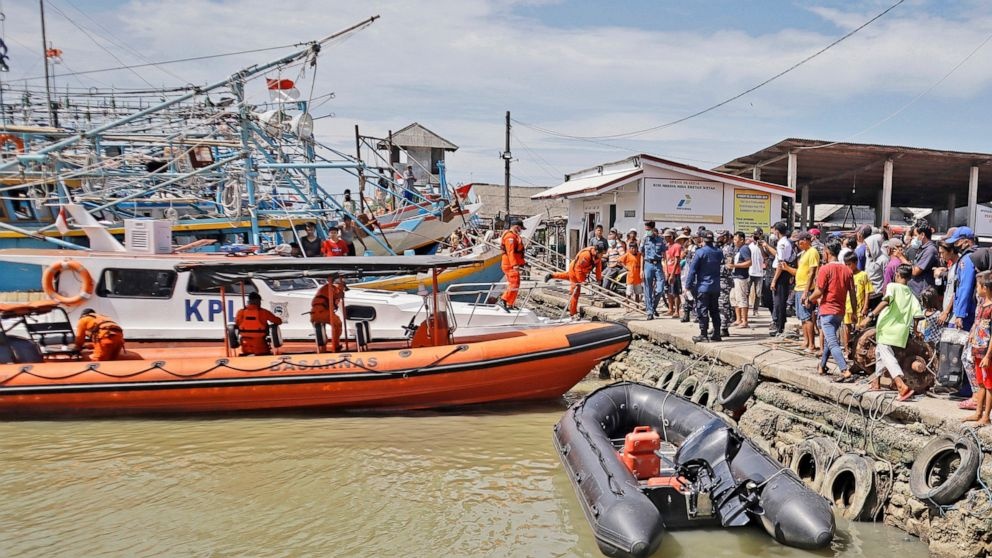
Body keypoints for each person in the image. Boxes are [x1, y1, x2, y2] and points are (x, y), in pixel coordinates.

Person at [859, 264, 922, 401]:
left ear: (897, 275)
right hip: (900, 332)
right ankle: (876, 381)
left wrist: (870, 316)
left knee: (887, 355)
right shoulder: (911, 294)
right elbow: (917, 314)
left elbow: (885, 301)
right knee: (880, 353)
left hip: (887, 329)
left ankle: (901, 385)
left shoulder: (892, 287)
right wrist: (916, 330)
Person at [809, 240, 857, 379]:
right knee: (831, 340)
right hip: (840, 311)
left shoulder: (825, 269)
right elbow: (852, 294)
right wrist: (854, 312)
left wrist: (808, 298)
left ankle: (844, 369)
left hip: (827, 309)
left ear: (827, 252)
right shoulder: (847, 271)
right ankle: (822, 366)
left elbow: (819, 291)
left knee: (832, 342)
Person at [782, 232, 820, 353]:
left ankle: (811, 344)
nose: (798, 244)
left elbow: (812, 272)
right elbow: (799, 272)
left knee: (807, 316)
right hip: (799, 287)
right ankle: (806, 341)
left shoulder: (812, 252)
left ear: (805, 240)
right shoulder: (803, 254)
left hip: (805, 288)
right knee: (802, 317)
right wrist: (787, 268)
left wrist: (806, 291)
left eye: (799, 242)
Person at [963, 272, 992, 424]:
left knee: (989, 385)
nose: (976, 289)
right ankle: (978, 412)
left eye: (978, 286)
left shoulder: (991, 308)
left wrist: (988, 355)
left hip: (986, 351)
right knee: (980, 383)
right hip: (977, 349)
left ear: (985, 288)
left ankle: (986, 416)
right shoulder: (982, 305)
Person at [546, 244, 603, 318]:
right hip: (575, 270)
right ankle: (572, 313)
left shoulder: (597, 258)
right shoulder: (586, 255)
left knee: (567, 276)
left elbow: (598, 269)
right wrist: (581, 281)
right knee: (575, 292)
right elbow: (578, 269)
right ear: (596, 251)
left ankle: (552, 275)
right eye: (601, 254)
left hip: (581, 272)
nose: (602, 256)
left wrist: (599, 279)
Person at [686, 230, 723, 343]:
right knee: (715, 310)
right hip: (715, 286)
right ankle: (717, 334)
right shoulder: (719, 252)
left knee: (702, 310)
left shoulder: (700, 252)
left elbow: (692, 270)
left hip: (703, 286)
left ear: (702, 239)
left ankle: (704, 334)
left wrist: (688, 286)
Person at [843, 251, 873, 357]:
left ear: (855, 263)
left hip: (859, 307)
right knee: (846, 328)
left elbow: (867, 292)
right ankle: (847, 349)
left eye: (849, 264)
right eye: (845, 264)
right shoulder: (845, 275)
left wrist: (865, 306)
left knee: (859, 329)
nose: (847, 267)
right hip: (846, 306)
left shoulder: (863, 275)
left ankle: (857, 350)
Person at [235, 292, 283, 356]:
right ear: (257, 301)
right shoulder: (264, 312)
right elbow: (278, 321)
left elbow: (237, 324)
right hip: (262, 347)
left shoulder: (240, 312)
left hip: (245, 347)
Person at [900, 222, 937, 298]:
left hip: (922, 292)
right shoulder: (921, 248)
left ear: (922, 235)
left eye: (915, 236)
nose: (913, 238)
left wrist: (900, 257)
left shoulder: (930, 250)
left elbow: (915, 271)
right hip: (915, 291)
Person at [769, 221, 794, 337]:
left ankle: (780, 327)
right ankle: (780, 325)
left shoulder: (782, 243)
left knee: (779, 302)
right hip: (781, 273)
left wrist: (774, 280)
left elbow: (781, 263)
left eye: (774, 230)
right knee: (778, 301)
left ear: (777, 231)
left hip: (781, 273)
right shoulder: (783, 242)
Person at [498, 217, 527, 312]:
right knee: (514, 283)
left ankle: (510, 304)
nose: (520, 231)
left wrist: (521, 263)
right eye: (520, 228)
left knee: (516, 283)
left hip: (512, 264)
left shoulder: (514, 236)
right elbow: (510, 252)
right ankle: (503, 300)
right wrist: (515, 265)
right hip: (509, 265)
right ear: (515, 227)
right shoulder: (510, 237)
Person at [311, 276, 345, 353]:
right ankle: (336, 346)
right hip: (322, 312)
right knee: (338, 324)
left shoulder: (324, 288)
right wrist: (340, 294)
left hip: (314, 314)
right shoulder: (333, 289)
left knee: (321, 331)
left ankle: (322, 349)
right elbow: (335, 301)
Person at [641, 221, 667, 320]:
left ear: (653, 229)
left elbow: (665, 255)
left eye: (648, 230)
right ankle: (649, 312)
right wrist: (641, 270)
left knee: (660, 289)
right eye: (646, 230)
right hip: (648, 264)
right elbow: (642, 255)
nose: (646, 232)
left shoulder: (660, 240)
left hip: (658, 265)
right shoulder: (644, 239)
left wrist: (666, 270)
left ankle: (653, 306)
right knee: (648, 289)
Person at [727, 231, 753, 329]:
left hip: (741, 277)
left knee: (741, 299)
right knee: (733, 298)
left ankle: (744, 321)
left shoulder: (744, 249)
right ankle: (738, 319)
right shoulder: (737, 249)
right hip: (735, 276)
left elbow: (749, 262)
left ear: (741, 240)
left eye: (735, 239)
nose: (734, 242)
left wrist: (735, 265)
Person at [665, 232, 686, 318]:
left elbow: (677, 260)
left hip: (675, 272)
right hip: (668, 271)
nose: (665, 238)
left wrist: (672, 274)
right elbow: (665, 259)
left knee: (675, 292)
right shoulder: (666, 247)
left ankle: (676, 311)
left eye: (667, 237)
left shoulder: (677, 246)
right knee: (668, 292)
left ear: (671, 237)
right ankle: (670, 309)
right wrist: (666, 272)